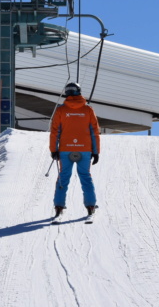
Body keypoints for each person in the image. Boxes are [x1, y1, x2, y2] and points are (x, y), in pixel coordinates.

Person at [49, 82, 101, 218]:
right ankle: (90, 206)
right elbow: (94, 132)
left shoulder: (61, 110)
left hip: (66, 149)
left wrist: (53, 149)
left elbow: (55, 131)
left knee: (63, 177)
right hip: (85, 149)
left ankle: (59, 207)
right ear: (79, 92)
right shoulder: (88, 110)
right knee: (85, 177)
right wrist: (96, 152)